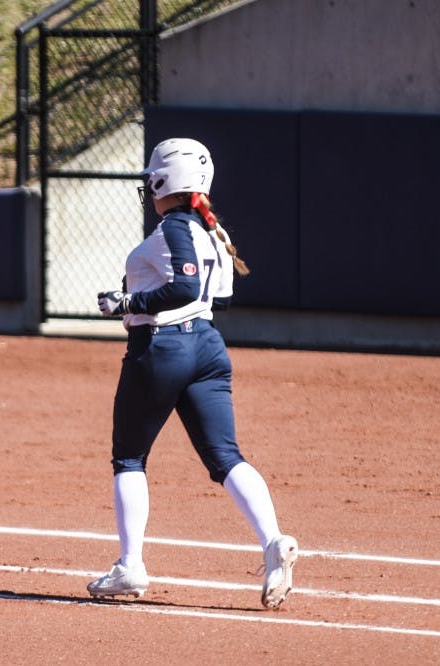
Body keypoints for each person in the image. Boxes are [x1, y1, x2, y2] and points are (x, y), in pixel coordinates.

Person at [88, 138, 298, 609]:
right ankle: (272, 542)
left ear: (166, 181)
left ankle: (130, 566)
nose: (148, 188)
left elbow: (182, 284)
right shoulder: (208, 230)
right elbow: (212, 291)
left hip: (163, 346)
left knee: (129, 457)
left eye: (152, 180)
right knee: (225, 457)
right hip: (206, 345)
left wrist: (129, 302)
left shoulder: (177, 228)